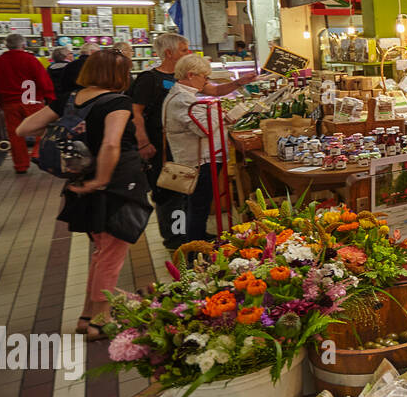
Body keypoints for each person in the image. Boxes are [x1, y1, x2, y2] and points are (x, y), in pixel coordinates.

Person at [16, 49, 152, 341]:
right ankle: (101, 321)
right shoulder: (117, 101)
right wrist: (101, 179)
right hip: (115, 184)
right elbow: (112, 145)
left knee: (102, 250)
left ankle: (86, 315)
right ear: (119, 75)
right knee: (112, 253)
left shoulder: (69, 100)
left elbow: (23, 128)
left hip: (81, 181)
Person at [130, 32, 252, 248]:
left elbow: (214, 91)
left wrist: (238, 84)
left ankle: (192, 237)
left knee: (192, 201)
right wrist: (143, 142)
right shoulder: (160, 85)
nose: (206, 81)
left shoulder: (184, 90)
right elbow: (202, 127)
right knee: (178, 197)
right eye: (184, 50)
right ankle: (183, 241)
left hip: (183, 150)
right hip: (177, 152)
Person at [163, 54, 228, 243]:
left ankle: (199, 237)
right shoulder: (183, 99)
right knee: (198, 205)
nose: (206, 81)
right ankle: (194, 248)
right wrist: (218, 112)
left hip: (196, 158)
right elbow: (205, 128)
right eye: (205, 77)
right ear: (191, 75)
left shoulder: (182, 95)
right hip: (198, 161)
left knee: (200, 203)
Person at [0, 33, 56, 174]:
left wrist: (1, 103)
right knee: (43, 129)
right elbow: (43, 81)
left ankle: (21, 165)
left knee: (16, 135)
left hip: (9, 103)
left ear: (6, 46)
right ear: (23, 45)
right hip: (31, 100)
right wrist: (50, 98)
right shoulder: (30, 60)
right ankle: (37, 153)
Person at [46, 46, 75, 114]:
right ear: (66, 56)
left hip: (53, 99)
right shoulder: (72, 67)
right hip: (69, 99)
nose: (72, 55)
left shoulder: (49, 68)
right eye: (71, 53)